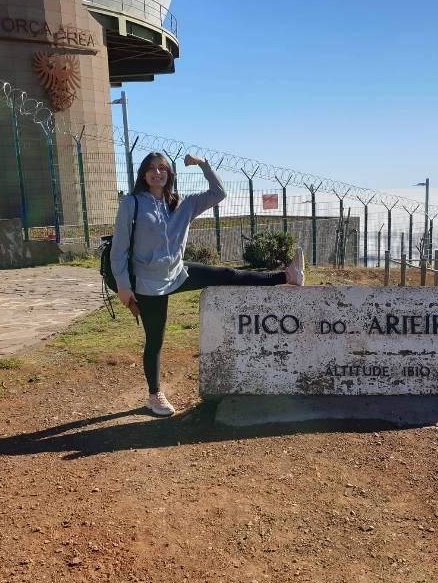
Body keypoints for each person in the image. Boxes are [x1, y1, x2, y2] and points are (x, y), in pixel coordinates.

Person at [110, 151, 305, 416]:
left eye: (162, 168)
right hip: (148, 283)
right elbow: (119, 249)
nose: (157, 173)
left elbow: (218, 192)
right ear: (144, 173)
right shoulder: (131, 204)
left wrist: (203, 164)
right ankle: (154, 396)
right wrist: (123, 286)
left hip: (177, 273)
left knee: (226, 274)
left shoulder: (182, 204)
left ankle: (288, 276)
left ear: (169, 174)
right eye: (152, 168)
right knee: (155, 339)